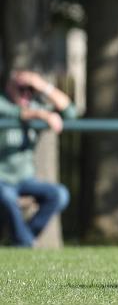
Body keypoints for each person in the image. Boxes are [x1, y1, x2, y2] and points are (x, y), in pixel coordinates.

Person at [0, 70, 76, 247]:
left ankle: (22, 240)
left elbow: (70, 112)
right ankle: (25, 242)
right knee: (7, 196)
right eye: (22, 88)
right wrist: (42, 115)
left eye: (31, 90)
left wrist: (43, 86)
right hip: (2, 179)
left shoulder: (35, 105)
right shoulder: (3, 102)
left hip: (25, 179)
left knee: (60, 194)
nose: (26, 93)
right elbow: (14, 112)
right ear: (9, 86)